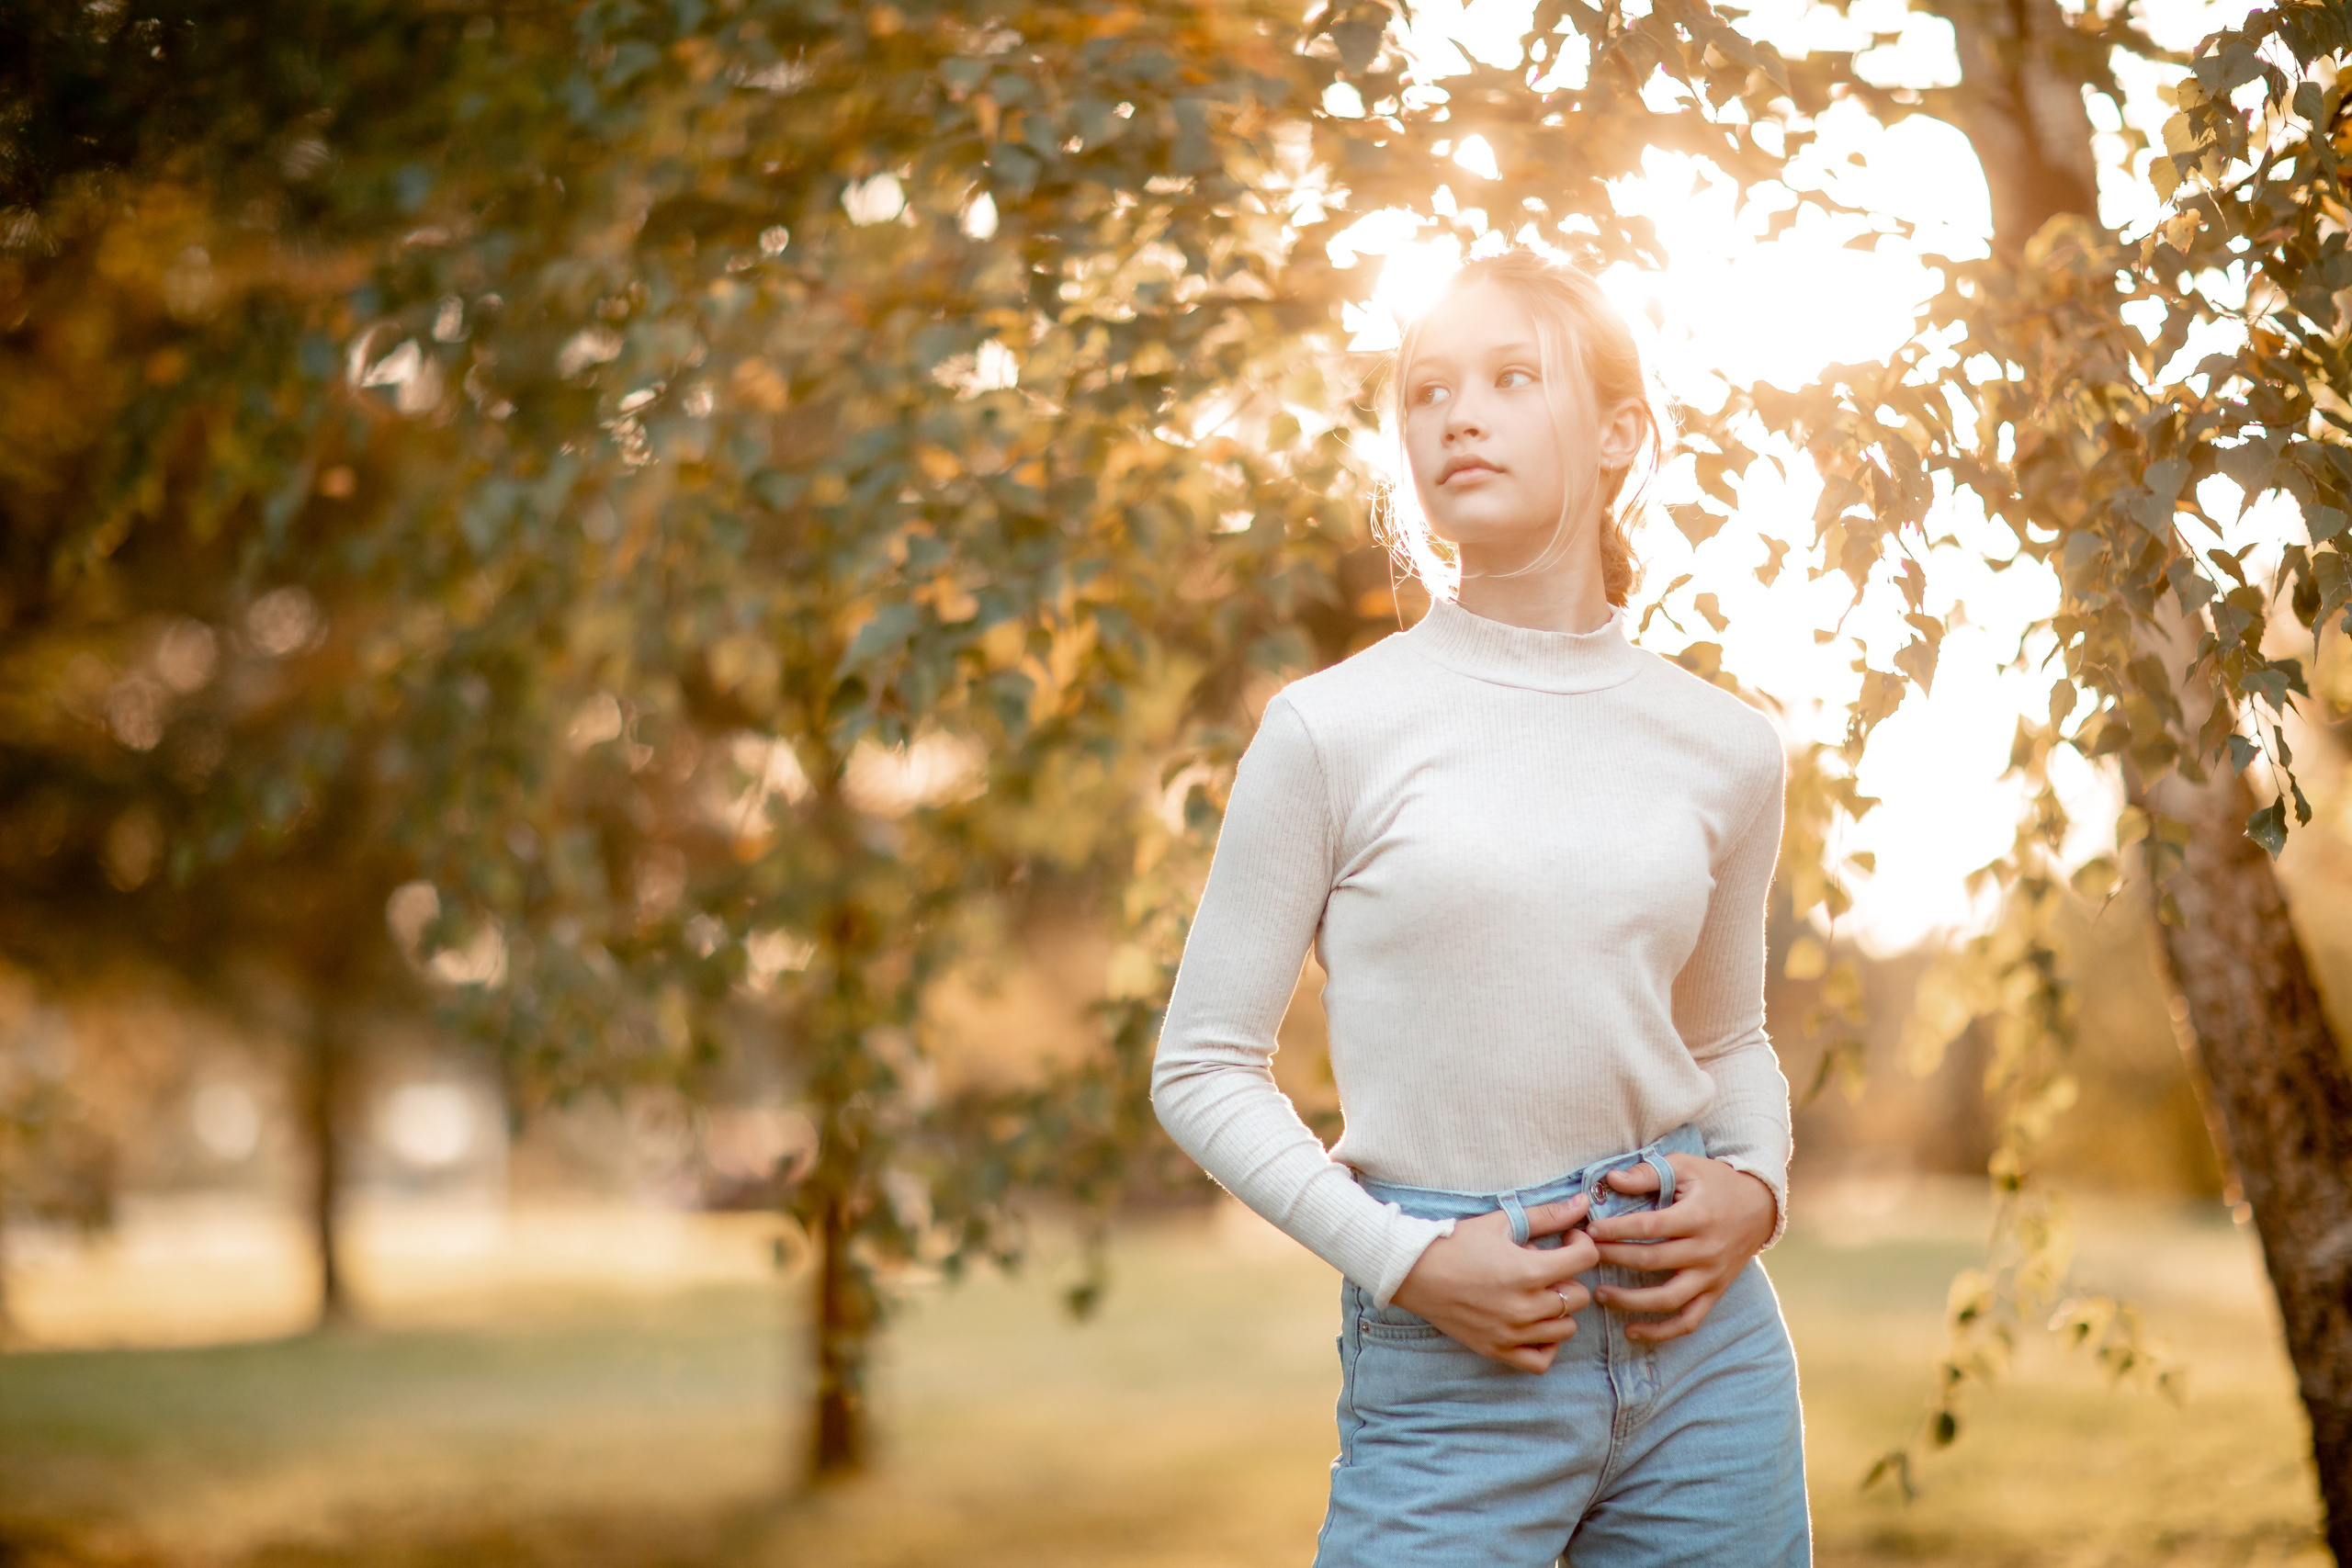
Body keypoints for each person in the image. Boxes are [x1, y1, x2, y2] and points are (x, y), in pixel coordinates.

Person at [1150, 248, 1806, 1566]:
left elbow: (1726, 1042)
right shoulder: (1331, 731)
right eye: (1425, 390)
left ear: (1620, 432)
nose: (1458, 414)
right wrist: (1411, 1265)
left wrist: (1760, 1190)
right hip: (1455, 1355)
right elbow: (1201, 1068)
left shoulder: (1726, 747)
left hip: (1706, 1363)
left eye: (1513, 377)